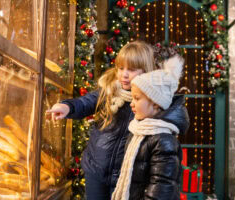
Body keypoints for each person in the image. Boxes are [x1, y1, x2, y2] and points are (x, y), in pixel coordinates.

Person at [47, 41, 157, 199]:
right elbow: (85, 103)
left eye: (131, 70)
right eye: (120, 68)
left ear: (145, 71)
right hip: (96, 171)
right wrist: (67, 107)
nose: (124, 75)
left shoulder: (147, 103)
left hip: (125, 177)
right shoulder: (108, 91)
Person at [111, 54, 190, 200]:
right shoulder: (138, 131)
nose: (131, 103)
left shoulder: (163, 141)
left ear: (155, 103)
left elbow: (161, 187)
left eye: (137, 98)